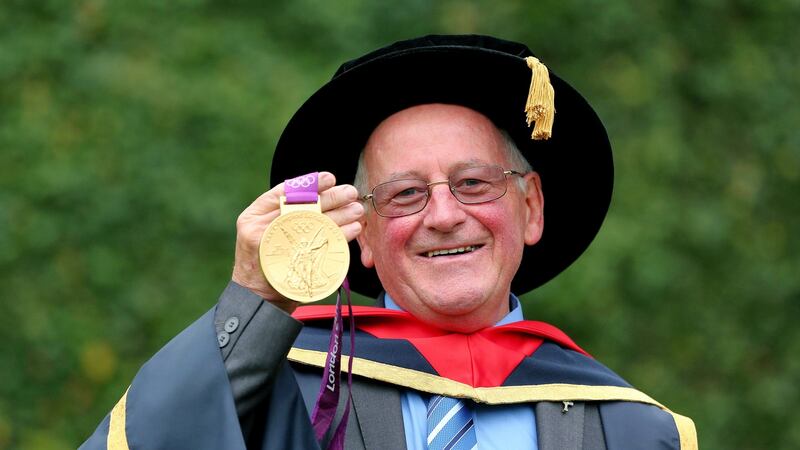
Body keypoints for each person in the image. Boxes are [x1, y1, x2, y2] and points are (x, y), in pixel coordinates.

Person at [82, 35, 697, 450]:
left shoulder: (631, 428)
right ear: (364, 237)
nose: (445, 215)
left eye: (474, 183)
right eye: (404, 195)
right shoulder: (280, 390)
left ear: (530, 207)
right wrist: (251, 299)